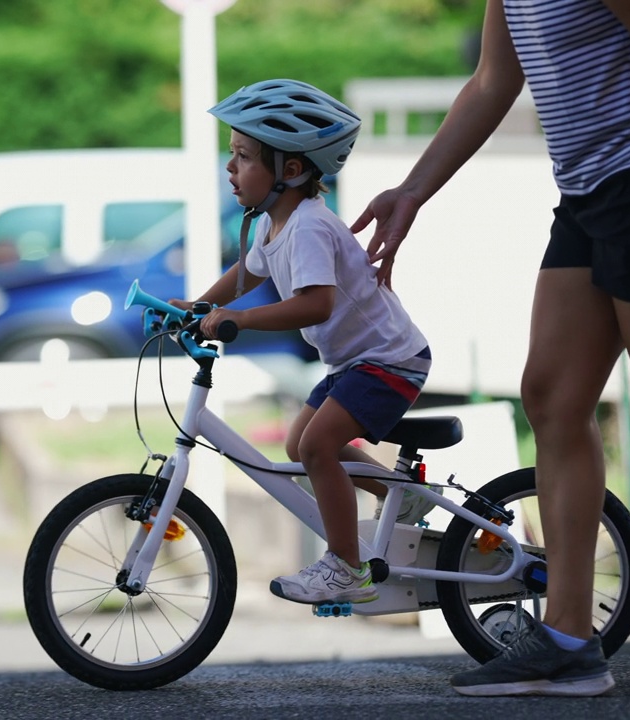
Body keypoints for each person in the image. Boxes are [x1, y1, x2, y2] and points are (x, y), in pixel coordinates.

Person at [351, 0, 630, 698]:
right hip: (588, 192)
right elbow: (494, 81)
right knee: (552, 397)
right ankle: (568, 640)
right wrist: (413, 192)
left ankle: (569, 639)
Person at [172, 78, 435, 607]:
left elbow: (317, 305)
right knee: (300, 446)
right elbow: (244, 277)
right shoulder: (276, 225)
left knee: (315, 447)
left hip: (388, 360)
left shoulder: (310, 225)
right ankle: (404, 497)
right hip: (355, 362)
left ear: (290, 170)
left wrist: (237, 323)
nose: (231, 168)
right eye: (233, 154)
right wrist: (198, 307)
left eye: (244, 156)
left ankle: (346, 568)